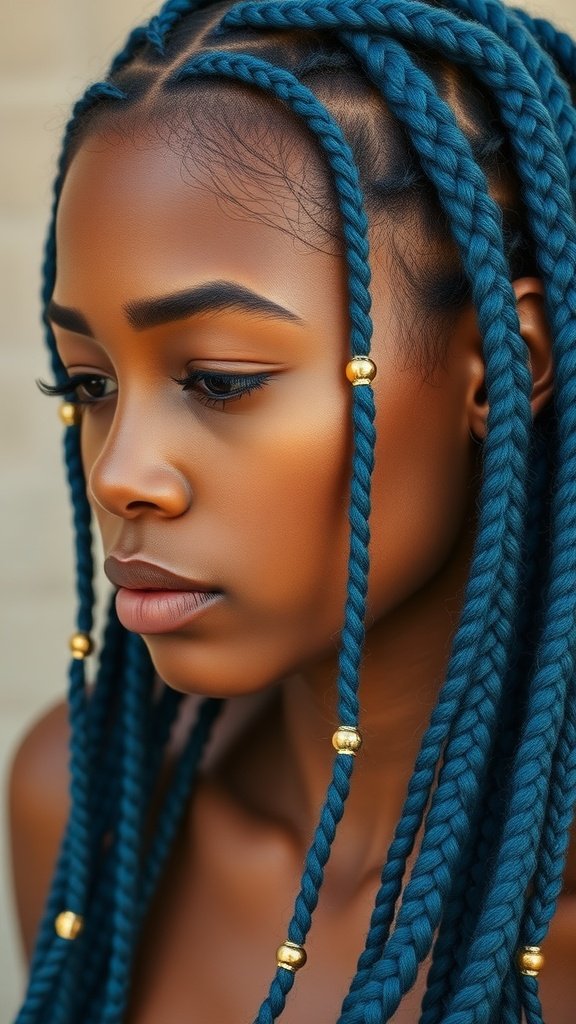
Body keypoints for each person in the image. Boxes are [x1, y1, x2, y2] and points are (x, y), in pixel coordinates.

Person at [8, 0, 576, 1020]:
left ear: (504, 365)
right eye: (88, 383)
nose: (121, 474)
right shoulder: (84, 814)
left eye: (220, 379)